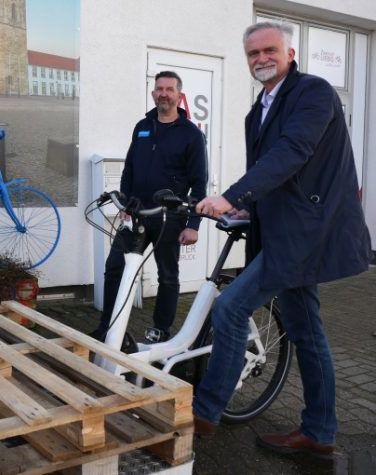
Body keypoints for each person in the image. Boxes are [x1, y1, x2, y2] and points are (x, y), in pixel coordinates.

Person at [193, 22, 372, 457]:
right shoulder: (258, 109)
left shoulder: (313, 92)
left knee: (231, 308)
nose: (260, 59)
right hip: (281, 233)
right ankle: (320, 432)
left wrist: (232, 194)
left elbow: (294, 152)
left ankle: (205, 412)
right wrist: (247, 207)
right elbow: (278, 173)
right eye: (252, 53)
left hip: (306, 233)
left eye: (269, 50)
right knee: (307, 333)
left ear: (289, 53)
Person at [93, 71, 207, 343]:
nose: (163, 94)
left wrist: (193, 224)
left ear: (179, 95)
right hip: (137, 214)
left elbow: (199, 184)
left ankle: (160, 331)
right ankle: (107, 327)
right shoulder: (143, 126)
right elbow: (130, 168)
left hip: (170, 218)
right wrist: (125, 200)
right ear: (153, 93)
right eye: (159, 89)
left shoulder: (191, 134)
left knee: (167, 275)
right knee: (115, 268)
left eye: (169, 89)